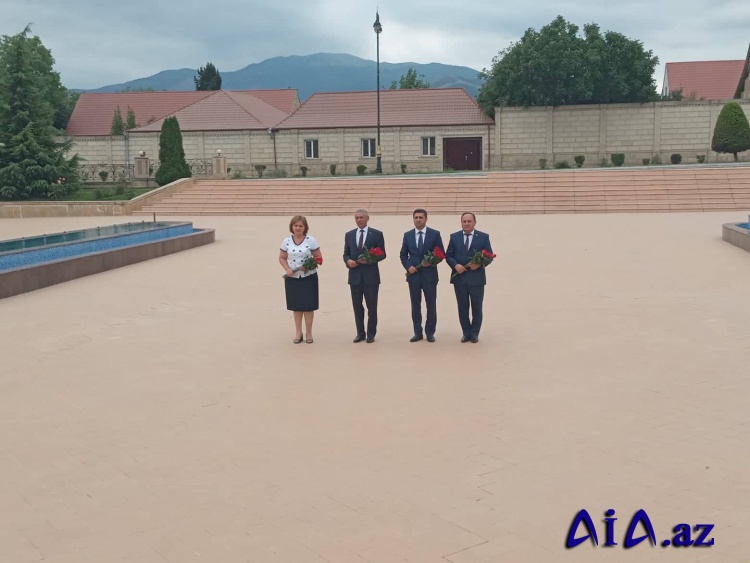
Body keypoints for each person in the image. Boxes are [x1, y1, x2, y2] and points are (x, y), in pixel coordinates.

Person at [445, 212, 494, 343]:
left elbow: (489, 256)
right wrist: (455, 265)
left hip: (476, 279)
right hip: (459, 279)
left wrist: (479, 264)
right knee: (462, 307)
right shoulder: (454, 237)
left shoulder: (483, 237)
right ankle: (466, 332)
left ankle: (474, 333)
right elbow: (448, 255)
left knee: (477, 307)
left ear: (474, 222)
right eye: (464, 221)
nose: (466, 224)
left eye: (469, 221)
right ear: (461, 223)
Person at [399, 208, 445, 342]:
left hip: (429, 276)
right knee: (415, 304)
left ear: (426, 219)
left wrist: (430, 262)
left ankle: (430, 332)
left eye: (421, 217)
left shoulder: (434, 234)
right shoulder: (407, 235)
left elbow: (441, 254)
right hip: (413, 276)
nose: (418, 220)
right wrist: (409, 266)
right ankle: (417, 332)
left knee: (431, 304)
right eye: (416, 217)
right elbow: (403, 254)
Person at [343, 209, 386, 343]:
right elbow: (346, 253)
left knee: (371, 306)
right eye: (357, 218)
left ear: (367, 218)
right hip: (355, 277)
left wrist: (369, 260)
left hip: (371, 276)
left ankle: (371, 333)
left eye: (361, 217)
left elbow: (382, 253)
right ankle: (360, 333)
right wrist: (348, 261)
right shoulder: (349, 235)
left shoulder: (376, 234)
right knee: (357, 306)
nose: (359, 220)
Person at [279, 215, 322, 344]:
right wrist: (287, 269)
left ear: (305, 227)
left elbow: (319, 257)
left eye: (300, 226)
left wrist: (308, 266)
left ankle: (309, 332)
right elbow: (282, 257)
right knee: (296, 306)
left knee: (308, 306)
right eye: (296, 225)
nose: (298, 228)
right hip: (292, 278)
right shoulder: (286, 241)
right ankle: (298, 332)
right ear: (292, 227)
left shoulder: (311, 240)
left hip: (309, 277)